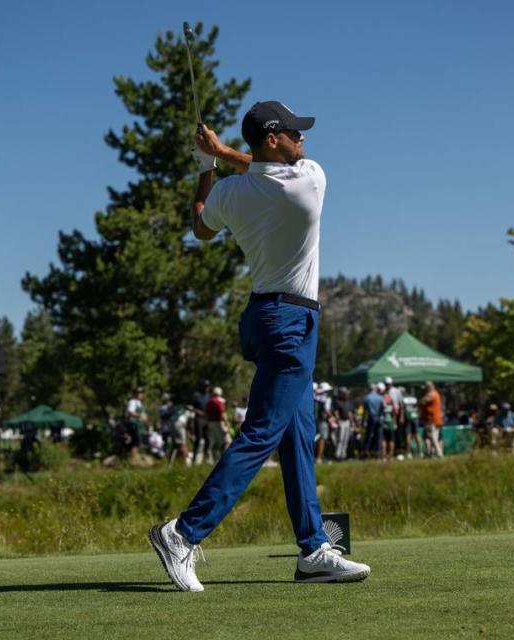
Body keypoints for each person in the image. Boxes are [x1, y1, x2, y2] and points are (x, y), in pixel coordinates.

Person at [148, 101, 370, 591]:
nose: (303, 140)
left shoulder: (231, 192)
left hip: (263, 317)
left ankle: (313, 549)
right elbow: (268, 172)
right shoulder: (309, 178)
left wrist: (207, 166)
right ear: (274, 139)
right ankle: (182, 533)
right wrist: (222, 152)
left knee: (296, 433)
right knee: (262, 433)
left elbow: (201, 226)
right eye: (295, 132)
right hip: (292, 321)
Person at [419, 381, 444, 458]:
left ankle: (439, 453)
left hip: (432, 419)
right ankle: (433, 453)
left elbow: (423, 401)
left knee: (433, 437)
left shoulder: (432, 394)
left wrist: (420, 400)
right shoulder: (435, 394)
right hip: (434, 419)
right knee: (433, 437)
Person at [205, 386, 229, 463]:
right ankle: (224, 459)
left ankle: (215, 458)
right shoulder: (219, 401)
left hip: (211, 423)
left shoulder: (209, 401)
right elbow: (222, 413)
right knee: (226, 441)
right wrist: (227, 424)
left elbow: (207, 413)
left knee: (216, 441)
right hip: (219, 423)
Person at [189, 380, 211, 465]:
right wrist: (197, 411)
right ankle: (194, 458)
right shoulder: (196, 395)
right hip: (199, 418)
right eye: (205, 386)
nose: (207, 388)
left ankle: (206, 455)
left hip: (207, 419)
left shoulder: (208, 396)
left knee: (208, 439)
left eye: (208, 386)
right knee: (198, 439)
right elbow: (191, 407)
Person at [362, 383, 385, 459]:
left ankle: (366, 451)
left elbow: (364, 411)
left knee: (369, 435)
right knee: (378, 436)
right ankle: (377, 452)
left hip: (371, 418)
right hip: (379, 417)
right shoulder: (380, 397)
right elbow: (383, 407)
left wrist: (363, 421)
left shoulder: (367, 397)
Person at [125, 387, 147, 465]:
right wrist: (140, 416)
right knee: (135, 442)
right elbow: (130, 411)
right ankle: (133, 461)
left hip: (138, 425)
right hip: (133, 424)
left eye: (141, 393)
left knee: (137, 443)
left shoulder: (139, 403)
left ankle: (134, 459)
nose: (139, 394)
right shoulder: (132, 402)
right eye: (138, 393)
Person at [332, 388, 354, 461]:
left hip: (347, 422)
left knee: (346, 439)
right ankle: (337, 455)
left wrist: (351, 422)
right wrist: (338, 420)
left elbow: (350, 413)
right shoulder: (338, 402)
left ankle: (343, 455)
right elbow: (336, 412)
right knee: (340, 439)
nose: (347, 395)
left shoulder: (348, 402)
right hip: (341, 421)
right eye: (345, 393)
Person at [402, 393, 422, 458]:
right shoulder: (415, 399)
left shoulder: (404, 399)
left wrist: (401, 417)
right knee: (416, 434)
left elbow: (403, 409)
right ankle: (420, 452)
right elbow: (418, 408)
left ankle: (409, 453)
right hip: (415, 418)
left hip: (408, 418)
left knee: (408, 435)